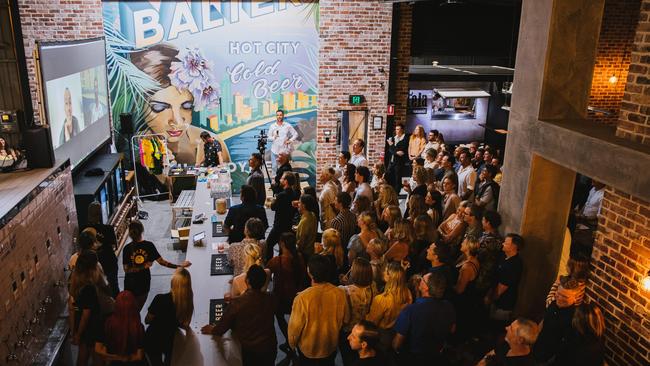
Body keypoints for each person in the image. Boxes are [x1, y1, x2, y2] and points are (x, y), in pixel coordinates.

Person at [130, 44, 230, 166]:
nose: (177, 121)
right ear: (139, 104)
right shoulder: (135, 146)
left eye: (186, 106)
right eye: (160, 108)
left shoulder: (215, 143)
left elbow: (225, 182)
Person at [202, 265, 278, 366]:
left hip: (251, 351)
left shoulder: (237, 303)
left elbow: (223, 326)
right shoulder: (271, 298)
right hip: (270, 347)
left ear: (247, 280)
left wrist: (213, 329)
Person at [288, 255, 350, 365]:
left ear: (309, 272)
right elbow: (346, 319)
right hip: (330, 346)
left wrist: (292, 345)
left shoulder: (302, 298)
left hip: (308, 350)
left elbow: (294, 329)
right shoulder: (340, 293)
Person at [123, 220, 191, 310]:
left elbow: (126, 270)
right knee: (137, 309)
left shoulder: (126, 248)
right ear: (142, 230)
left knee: (129, 309)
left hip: (129, 284)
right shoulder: (149, 246)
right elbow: (163, 262)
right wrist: (180, 266)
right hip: (143, 283)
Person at [393, 271, 456, 365]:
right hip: (436, 356)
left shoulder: (410, 310)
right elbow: (452, 329)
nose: (420, 280)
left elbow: (397, 344)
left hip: (414, 358)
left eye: (422, 279)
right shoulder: (449, 306)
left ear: (426, 287)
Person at [144, 268, 193, 366]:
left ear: (173, 282)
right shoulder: (187, 301)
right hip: (170, 340)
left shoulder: (160, 299)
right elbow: (184, 323)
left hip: (153, 340)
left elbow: (147, 320)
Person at [267, 233, 306, 354]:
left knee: (279, 317)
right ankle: (295, 340)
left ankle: (289, 340)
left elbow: (266, 274)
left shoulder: (277, 261)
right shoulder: (299, 257)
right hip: (297, 295)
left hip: (281, 296)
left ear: (282, 244)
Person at [532, 277, 584, 364]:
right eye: (558, 293)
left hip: (551, 359)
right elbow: (544, 321)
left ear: (575, 298)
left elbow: (566, 347)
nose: (559, 298)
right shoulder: (553, 303)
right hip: (537, 350)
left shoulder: (575, 318)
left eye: (564, 296)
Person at [69, 250, 105, 366]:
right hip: (92, 326)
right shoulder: (89, 288)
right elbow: (86, 313)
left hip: (82, 326)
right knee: (97, 357)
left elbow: (72, 308)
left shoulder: (75, 282)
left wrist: (74, 331)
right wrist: (78, 334)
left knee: (83, 355)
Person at [366, 262, 412, 353]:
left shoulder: (382, 299)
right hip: (396, 333)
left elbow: (372, 322)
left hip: (382, 336)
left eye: (386, 271)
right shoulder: (407, 293)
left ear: (390, 277)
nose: (383, 272)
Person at [339, 258, 377, 365]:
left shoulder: (344, 290)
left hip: (348, 330)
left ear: (354, 272)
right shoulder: (373, 286)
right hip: (364, 327)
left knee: (347, 356)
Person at [96, 291, 146, 365]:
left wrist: (116, 357)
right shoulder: (139, 327)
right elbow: (139, 356)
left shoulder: (107, 323)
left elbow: (97, 349)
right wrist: (126, 358)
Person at [486, 234, 524, 325]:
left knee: (496, 326)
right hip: (494, 297)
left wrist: (490, 299)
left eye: (506, 243)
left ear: (513, 247)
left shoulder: (515, 265)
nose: (503, 244)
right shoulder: (503, 255)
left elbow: (502, 287)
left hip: (503, 303)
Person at [85, 202, 119, 297]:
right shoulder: (108, 229)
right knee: (113, 288)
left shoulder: (83, 229)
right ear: (99, 215)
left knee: (97, 292)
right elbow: (114, 245)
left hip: (92, 266)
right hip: (109, 263)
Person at [266, 171, 298, 261]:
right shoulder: (295, 193)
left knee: (269, 244)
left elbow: (273, 207)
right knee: (283, 247)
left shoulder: (281, 195)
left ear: (286, 181)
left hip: (279, 225)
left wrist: (274, 200)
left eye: (282, 178)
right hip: (288, 224)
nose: (280, 180)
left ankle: (270, 263)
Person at [475, 210, 504, 296]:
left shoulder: (491, 241)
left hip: (483, 276)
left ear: (488, 223)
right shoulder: (490, 235)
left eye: (483, 220)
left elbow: (478, 255)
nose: (482, 222)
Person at [330, 192, 359, 258]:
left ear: (340, 204)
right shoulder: (353, 216)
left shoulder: (336, 221)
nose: (334, 202)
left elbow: (334, 241)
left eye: (336, 200)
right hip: (351, 247)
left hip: (340, 252)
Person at [386, 124, 409, 193]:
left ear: (402, 130)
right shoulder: (394, 138)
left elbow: (402, 149)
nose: (397, 131)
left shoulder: (405, 138)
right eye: (396, 129)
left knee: (397, 177)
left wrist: (392, 145)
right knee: (389, 175)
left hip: (399, 161)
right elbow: (390, 149)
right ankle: (390, 191)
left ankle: (396, 193)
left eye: (398, 129)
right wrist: (396, 152)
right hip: (392, 160)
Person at [296, 194, 319, 262]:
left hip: (305, 253)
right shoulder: (312, 215)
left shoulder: (304, 221)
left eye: (299, 202)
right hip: (311, 250)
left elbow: (301, 242)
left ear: (304, 205)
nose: (298, 204)